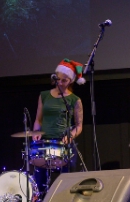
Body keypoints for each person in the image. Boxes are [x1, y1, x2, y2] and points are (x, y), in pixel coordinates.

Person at [30, 59, 85, 194]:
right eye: (58, 79)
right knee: (41, 185)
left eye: (64, 80)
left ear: (70, 81)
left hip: (64, 144)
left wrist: (70, 136)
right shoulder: (44, 95)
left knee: (67, 186)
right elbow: (38, 119)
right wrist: (36, 132)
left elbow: (79, 126)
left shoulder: (75, 100)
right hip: (44, 144)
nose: (60, 83)